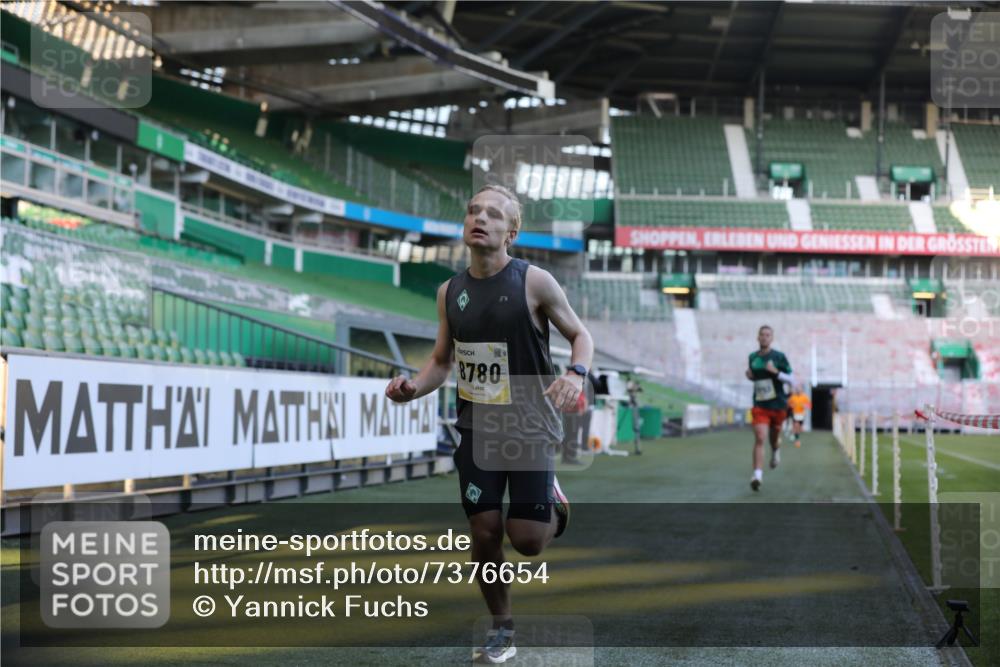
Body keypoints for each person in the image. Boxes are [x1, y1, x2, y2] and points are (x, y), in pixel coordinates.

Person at [385, 184, 594, 664]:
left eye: (494, 214)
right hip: (478, 430)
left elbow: (581, 335)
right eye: (473, 210)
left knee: (526, 542)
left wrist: (576, 373)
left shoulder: (534, 282)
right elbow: (441, 360)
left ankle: (552, 501)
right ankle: (502, 628)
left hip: (531, 428)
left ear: (511, 232)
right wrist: (413, 387)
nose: (481, 217)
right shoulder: (449, 292)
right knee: (483, 532)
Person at [745, 325, 794, 492]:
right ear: (757, 337)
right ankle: (757, 475)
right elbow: (756, 377)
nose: (765, 337)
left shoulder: (779, 357)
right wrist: (750, 376)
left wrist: (776, 373)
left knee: (774, 439)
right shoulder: (752, 357)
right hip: (760, 405)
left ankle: (775, 451)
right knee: (760, 437)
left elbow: (792, 380)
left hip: (778, 406)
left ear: (771, 339)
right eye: (762, 335)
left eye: (768, 335)